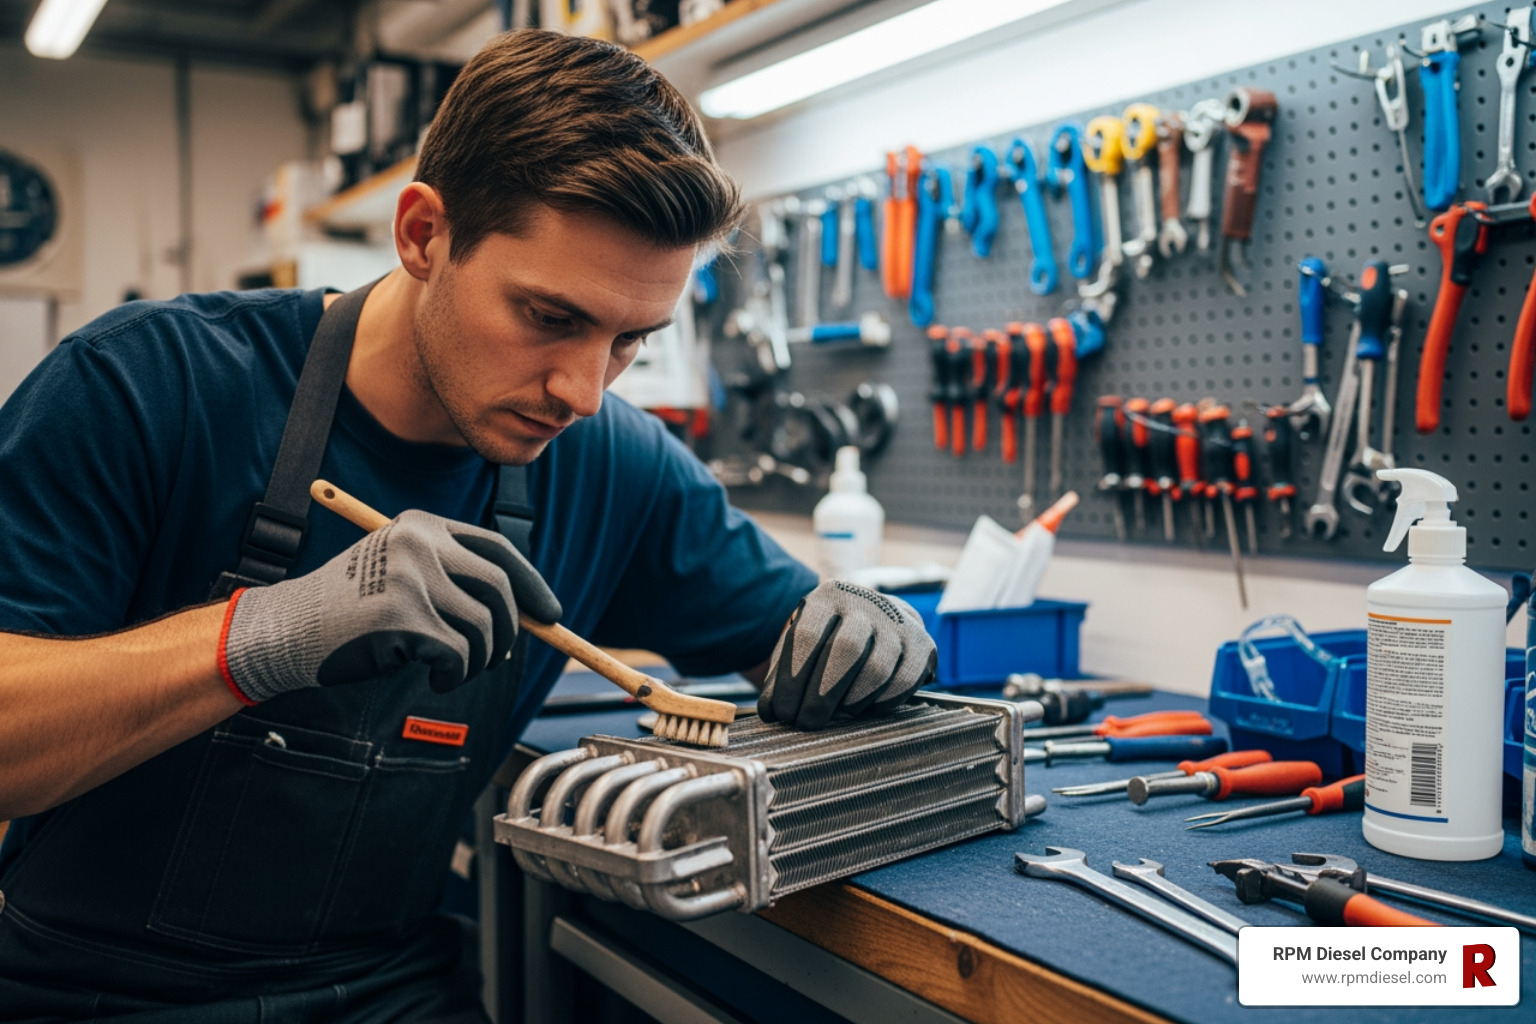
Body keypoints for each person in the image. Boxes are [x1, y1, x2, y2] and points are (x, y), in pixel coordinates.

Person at [0, 29, 935, 1023]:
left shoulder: (615, 464)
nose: (582, 390)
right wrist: (261, 637)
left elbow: (800, 637)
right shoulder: (148, 386)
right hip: (86, 994)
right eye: (548, 316)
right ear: (422, 235)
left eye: (630, 341)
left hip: (385, 992)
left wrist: (869, 636)